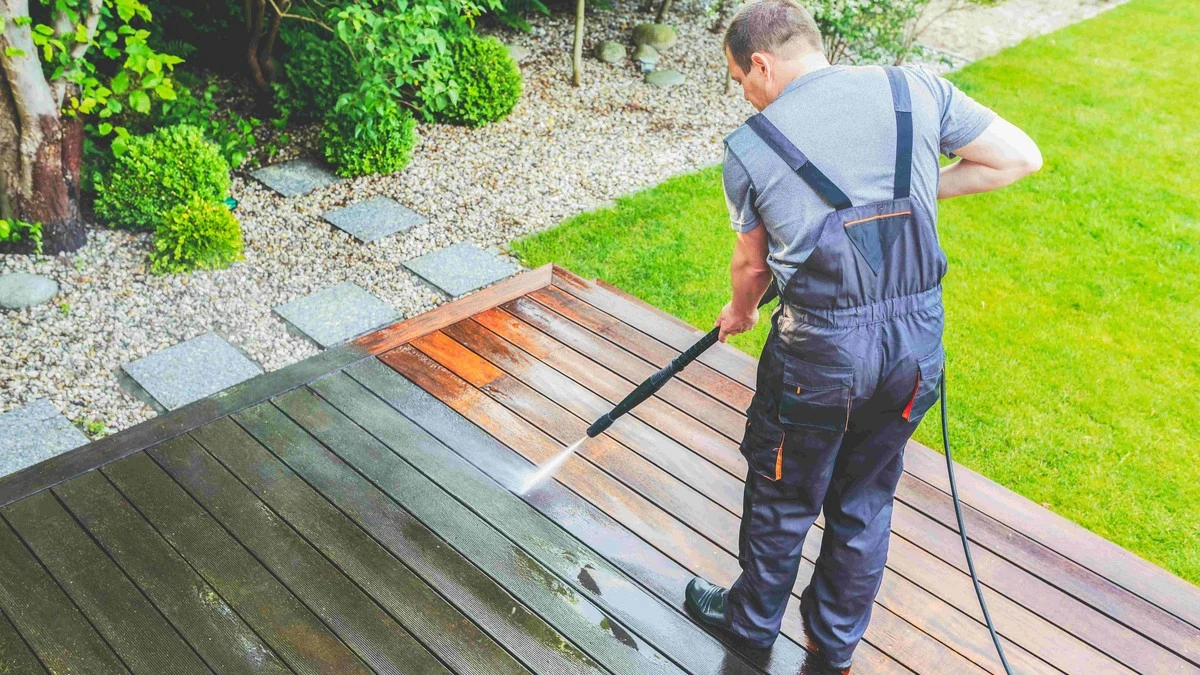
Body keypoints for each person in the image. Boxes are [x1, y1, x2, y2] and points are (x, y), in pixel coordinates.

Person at [682, 0, 1042, 672]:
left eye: (740, 81)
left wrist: (741, 312)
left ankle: (751, 624)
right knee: (866, 495)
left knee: (784, 493)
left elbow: (752, 266)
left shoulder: (751, 148)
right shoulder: (917, 90)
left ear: (760, 63)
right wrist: (912, 190)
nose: (745, 97)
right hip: (914, 350)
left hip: (818, 354)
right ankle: (833, 645)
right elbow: (1018, 157)